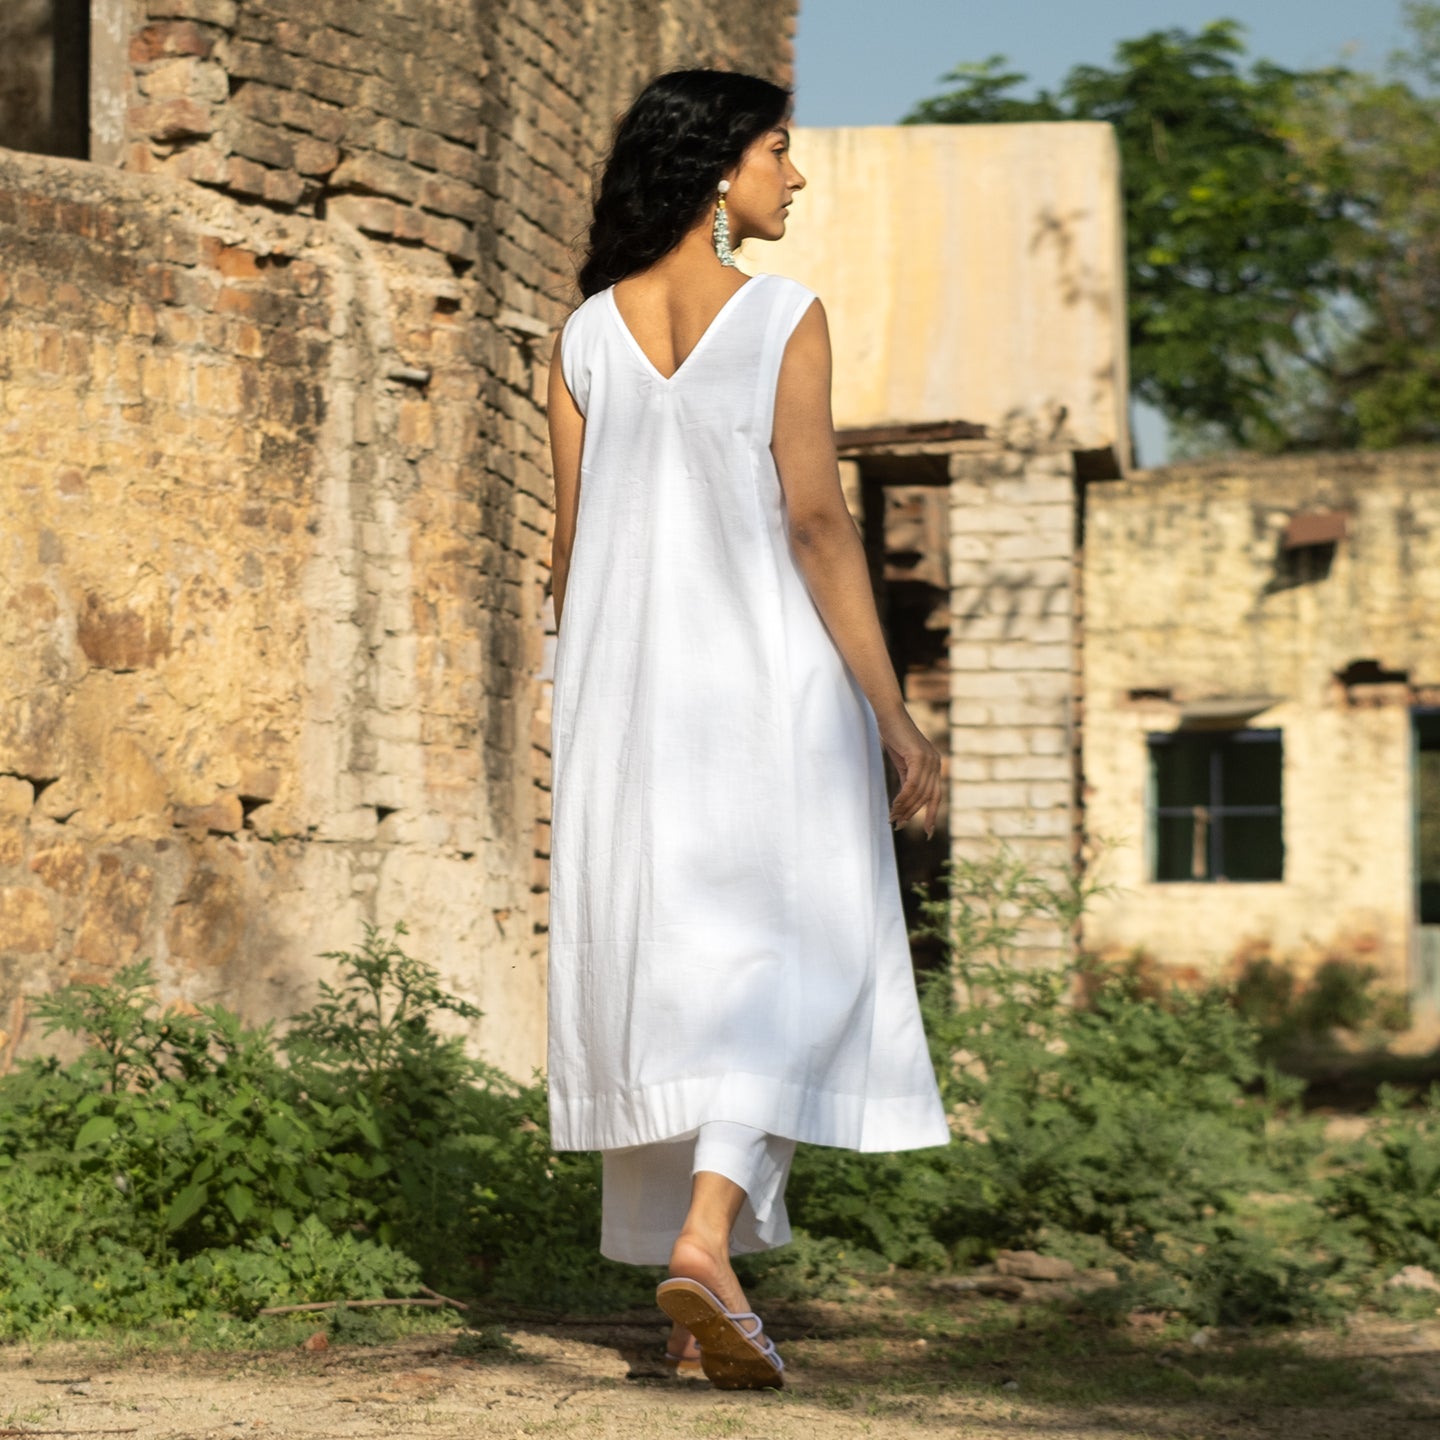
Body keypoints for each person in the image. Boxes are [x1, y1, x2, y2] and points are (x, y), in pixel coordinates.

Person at [544, 67, 951, 1390]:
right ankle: (710, 1242)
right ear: (723, 166)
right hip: (767, 686)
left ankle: (687, 1303)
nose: (797, 174)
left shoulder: (583, 336)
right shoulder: (783, 314)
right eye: (783, 150)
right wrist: (895, 716)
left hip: (622, 697)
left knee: (678, 977)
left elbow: (568, 555)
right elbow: (820, 523)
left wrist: (580, 700)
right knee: (796, 960)